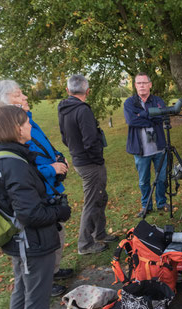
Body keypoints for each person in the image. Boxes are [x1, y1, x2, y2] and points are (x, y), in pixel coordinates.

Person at [0, 105, 74, 309]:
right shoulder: (14, 164)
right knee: (35, 296)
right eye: (25, 124)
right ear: (15, 128)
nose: (29, 128)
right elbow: (30, 213)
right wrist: (59, 210)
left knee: (22, 293)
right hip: (32, 241)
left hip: (19, 241)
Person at [0, 80, 71, 297]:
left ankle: (53, 270)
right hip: (35, 197)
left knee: (57, 234)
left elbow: (42, 147)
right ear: (5, 101)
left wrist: (57, 156)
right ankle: (45, 281)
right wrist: (51, 168)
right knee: (44, 240)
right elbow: (24, 169)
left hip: (47, 189)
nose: (25, 98)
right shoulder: (9, 131)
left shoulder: (27, 120)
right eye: (18, 95)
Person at [58, 74, 117, 255]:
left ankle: (99, 232)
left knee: (100, 197)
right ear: (88, 91)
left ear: (68, 90)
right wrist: (97, 159)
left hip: (79, 160)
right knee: (92, 201)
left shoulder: (64, 109)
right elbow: (90, 140)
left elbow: (64, 137)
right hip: (90, 163)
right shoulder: (82, 110)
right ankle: (85, 243)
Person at [123, 72, 169, 217]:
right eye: (139, 83)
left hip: (159, 147)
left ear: (150, 84)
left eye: (144, 83)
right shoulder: (129, 103)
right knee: (144, 181)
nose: (142, 86)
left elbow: (162, 117)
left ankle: (161, 202)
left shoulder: (158, 100)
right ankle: (146, 205)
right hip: (141, 149)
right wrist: (151, 116)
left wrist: (141, 115)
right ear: (135, 86)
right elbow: (131, 121)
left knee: (161, 178)